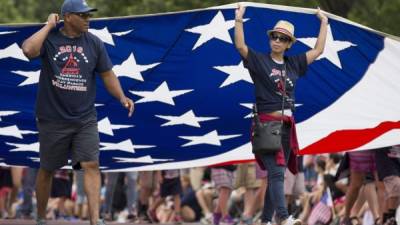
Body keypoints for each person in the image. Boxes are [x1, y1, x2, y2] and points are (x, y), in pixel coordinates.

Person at [21, 0, 134, 224]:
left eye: (88, 15)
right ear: (68, 17)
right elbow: (28, 50)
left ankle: (94, 219)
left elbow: (107, 74)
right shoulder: (51, 39)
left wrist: (121, 96)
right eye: (83, 16)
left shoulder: (94, 43)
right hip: (52, 119)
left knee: (91, 164)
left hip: (84, 119)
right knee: (48, 169)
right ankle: (41, 217)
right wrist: (47, 26)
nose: (87, 19)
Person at [234, 3, 328, 225]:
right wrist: (239, 19)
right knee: (277, 173)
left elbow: (318, 50)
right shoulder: (259, 60)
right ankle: (283, 218)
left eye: (282, 38)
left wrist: (324, 23)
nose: (277, 40)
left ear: (288, 44)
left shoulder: (294, 63)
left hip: (287, 126)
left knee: (275, 175)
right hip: (267, 125)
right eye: (274, 36)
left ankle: (266, 221)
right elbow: (240, 46)